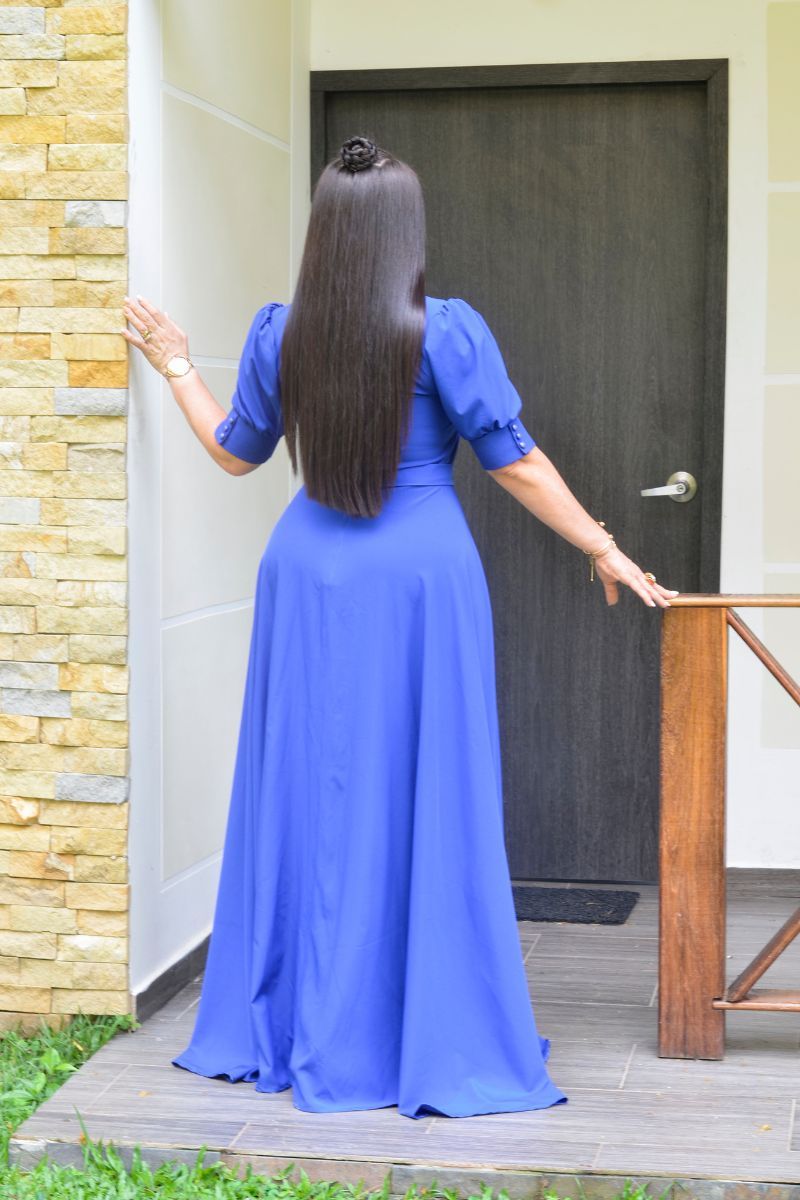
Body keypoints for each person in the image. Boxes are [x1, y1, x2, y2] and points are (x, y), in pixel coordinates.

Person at [122, 134, 678, 1120]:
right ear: (404, 233)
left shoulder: (278, 335)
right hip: (419, 577)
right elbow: (515, 462)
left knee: (307, 788)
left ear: (324, 232)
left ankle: (303, 1019)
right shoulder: (444, 332)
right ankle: (423, 1028)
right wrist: (602, 545)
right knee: (428, 788)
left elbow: (237, 453)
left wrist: (174, 365)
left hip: (307, 574)